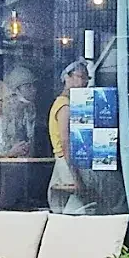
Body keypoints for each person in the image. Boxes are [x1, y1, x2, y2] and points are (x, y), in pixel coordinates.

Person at [47, 60, 90, 213]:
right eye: (80, 77)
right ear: (67, 77)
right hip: (66, 163)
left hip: (67, 162)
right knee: (77, 210)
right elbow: (66, 142)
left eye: (87, 78)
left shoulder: (70, 103)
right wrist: (76, 176)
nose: (84, 82)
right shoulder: (64, 105)